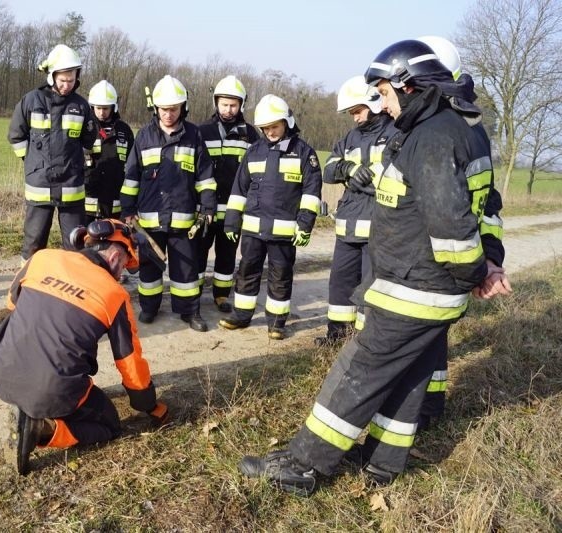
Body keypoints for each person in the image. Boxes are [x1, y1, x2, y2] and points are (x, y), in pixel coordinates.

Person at [237, 40, 509, 496]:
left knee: (358, 370)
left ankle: (304, 465)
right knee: (409, 371)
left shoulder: (433, 137)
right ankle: (382, 464)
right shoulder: (462, 129)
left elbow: (451, 224)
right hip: (428, 288)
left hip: (415, 287)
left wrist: (474, 272)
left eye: (383, 92)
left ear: (411, 85)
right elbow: (487, 208)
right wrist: (489, 265)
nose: (380, 102)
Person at [0, 219, 168, 475]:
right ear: (116, 255)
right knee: (109, 424)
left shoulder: (42, 258)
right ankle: (42, 429)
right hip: (53, 391)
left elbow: (11, 303)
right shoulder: (114, 295)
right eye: (125, 265)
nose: (122, 274)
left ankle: (28, 404)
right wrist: (146, 403)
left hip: (1, 372)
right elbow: (129, 361)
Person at [414, 35, 511, 429]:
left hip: (429, 262)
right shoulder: (465, 128)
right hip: (436, 262)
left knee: (424, 340)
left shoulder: (447, 132)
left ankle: (425, 409)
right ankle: (430, 408)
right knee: (432, 338)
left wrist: (488, 260)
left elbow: (485, 205)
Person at [218, 94, 322, 340]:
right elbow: (239, 189)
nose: (270, 132)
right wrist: (232, 220)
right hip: (253, 229)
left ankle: (276, 323)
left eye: (274, 126)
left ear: (287, 122)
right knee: (247, 271)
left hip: (284, 233)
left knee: (280, 275)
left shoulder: (304, 153)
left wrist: (305, 225)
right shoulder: (254, 151)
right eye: (265, 128)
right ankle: (241, 316)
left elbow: (311, 193)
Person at [120, 75, 216, 332]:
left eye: (173, 109)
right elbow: (131, 177)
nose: (169, 114)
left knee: (186, 270)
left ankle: (189, 312)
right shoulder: (144, 136)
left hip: (183, 219)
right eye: (164, 109)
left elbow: (205, 178)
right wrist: (127, 211)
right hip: (149, 221)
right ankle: (149, 308)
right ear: (156, 109)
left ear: (183, 107)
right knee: (149, 269)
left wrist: (207, 209)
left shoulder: (193, 135)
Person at [315, 76, 398, 346]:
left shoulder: (397, 133)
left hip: (378, 227)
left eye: (357, 111)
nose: (355, 118)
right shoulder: (349, 138)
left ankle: (364, 342)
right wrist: (349, 170)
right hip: (347, 226)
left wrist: (361, 179)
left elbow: (391, 175)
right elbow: (328, 171)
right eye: (351, 113)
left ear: (373, 102)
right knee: (340, 284)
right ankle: (336, 336)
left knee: (370, 287)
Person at [8, 44, 96, 263]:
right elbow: (16, 135)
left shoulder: (82, 106)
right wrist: (31, 162)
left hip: (71, 186)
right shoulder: (31, 101)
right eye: (63, 80)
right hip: (40, 185)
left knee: (76, 244)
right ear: (52, 76)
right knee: (34, 243)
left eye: (72, 79)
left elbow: (89, 138)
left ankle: (74, 290)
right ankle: (27, 287)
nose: (67, 85)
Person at [198, 76, 259, 313]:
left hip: (234, 210)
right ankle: (194, 291)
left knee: (227, 254)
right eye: (224, 104)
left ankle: (221, 295)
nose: (228, 109)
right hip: (206, 208)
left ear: (241, 105)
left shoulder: (251, 135)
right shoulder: (202, 131)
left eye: (233, 105)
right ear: (216, 103)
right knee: (199, 251)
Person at [84, 80, 135, 223]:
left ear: (114, 107)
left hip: (115, 205)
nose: (102, 112)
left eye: (106, 108)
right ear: (91, 106)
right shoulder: (84, 128)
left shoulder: (124, 131)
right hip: (86, 207)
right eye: (98, 108)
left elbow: (133, 165)